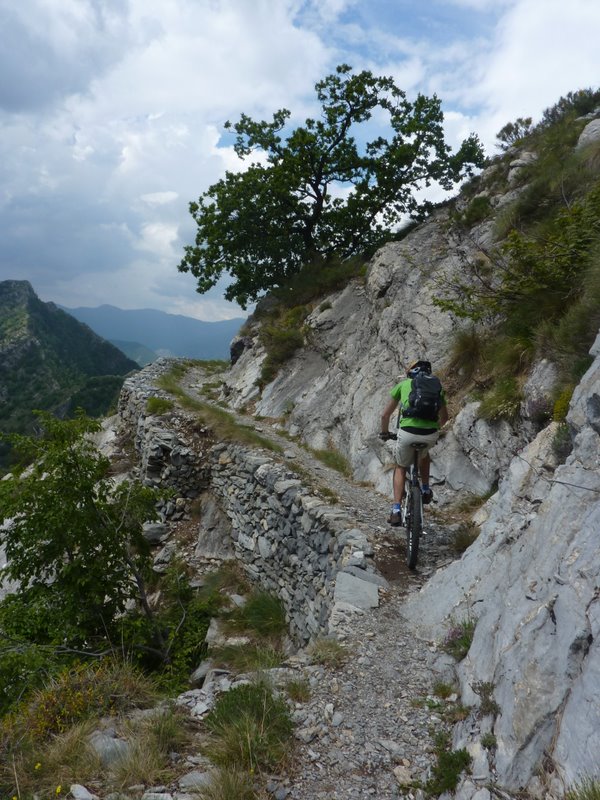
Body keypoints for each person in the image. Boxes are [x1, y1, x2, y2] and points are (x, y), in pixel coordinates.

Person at [379, 359, 448, 526]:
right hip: (430, 434)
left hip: (408, 433)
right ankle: (425, 488)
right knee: (425, 455)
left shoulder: (403, 385)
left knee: (400, 467)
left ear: (410, 372)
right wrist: (433, 429)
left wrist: (385, 433)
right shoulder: (436, 387)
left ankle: (396, 509)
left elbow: (385, 416)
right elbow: (445, 418)